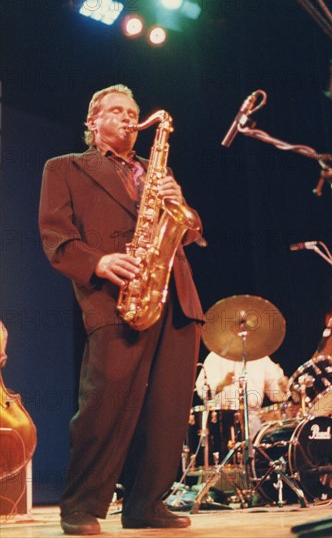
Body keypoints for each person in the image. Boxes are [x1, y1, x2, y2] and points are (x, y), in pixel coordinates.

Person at [39, 84, 203, 535]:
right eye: (116, 111)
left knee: (168, 409)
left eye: (133, 112)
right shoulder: (65, 168)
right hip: (115, 296)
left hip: (175, 297)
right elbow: (55, 237)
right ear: (93, 123)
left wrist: (178, 202)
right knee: (104, 405)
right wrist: (99, 261)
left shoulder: (156, 170)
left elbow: (190, 231)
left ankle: (146, 504)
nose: (129, 118)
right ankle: (81, 507)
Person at [196, 351, 290, 444]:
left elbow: (277, 394)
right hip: (222, 424)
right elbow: (201, 390)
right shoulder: (215, 357)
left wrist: (283, 388)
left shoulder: (261, 358)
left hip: (253, 422)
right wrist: (220, 385)